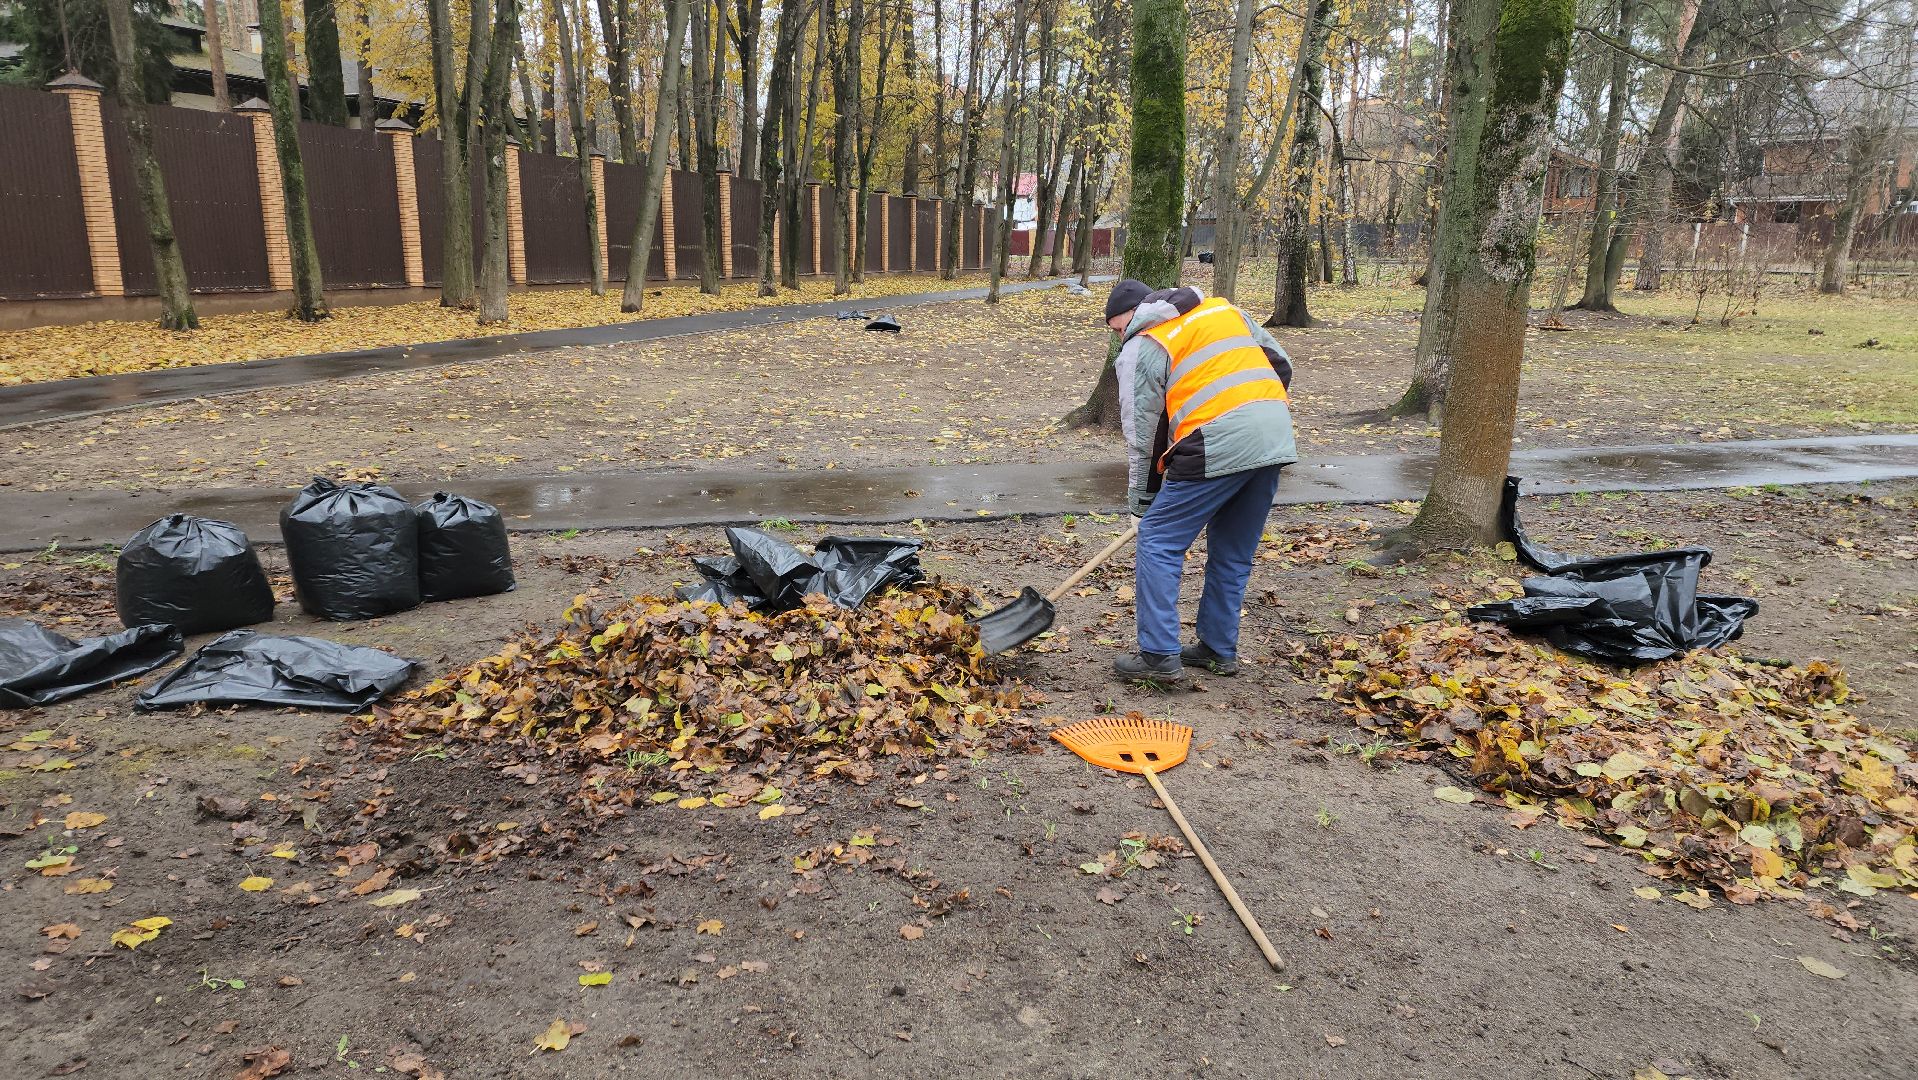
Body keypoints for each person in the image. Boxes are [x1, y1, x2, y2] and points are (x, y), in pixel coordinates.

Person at [1103, 278, 1297, 683]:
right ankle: (1218, 648)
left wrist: (1141, 506)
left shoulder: (1143, 344)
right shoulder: (1223, 311)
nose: (1120, 337)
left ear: (1135, 314)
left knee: (1158, 540)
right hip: (1274, 434)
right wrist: (1253, 414)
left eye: (1118, 328)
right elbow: (1281, 364)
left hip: (1215, 440)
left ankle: (1159, 655)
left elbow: (1141, 437)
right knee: (1232, 549)